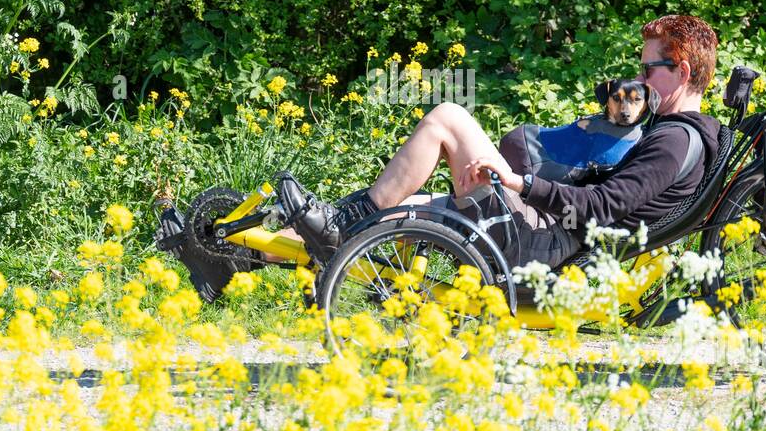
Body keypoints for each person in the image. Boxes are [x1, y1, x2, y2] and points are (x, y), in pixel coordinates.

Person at [276, 14, 726, 270]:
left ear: (682, 72)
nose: (642, 79)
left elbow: (603, 207)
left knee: (447, 118)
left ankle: (339, 227)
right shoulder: (676, 135)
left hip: (543, 241)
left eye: (649, 69)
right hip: (545, 228)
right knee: (413, 202)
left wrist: (519, 183)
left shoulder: (673, 142)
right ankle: (274, 245)